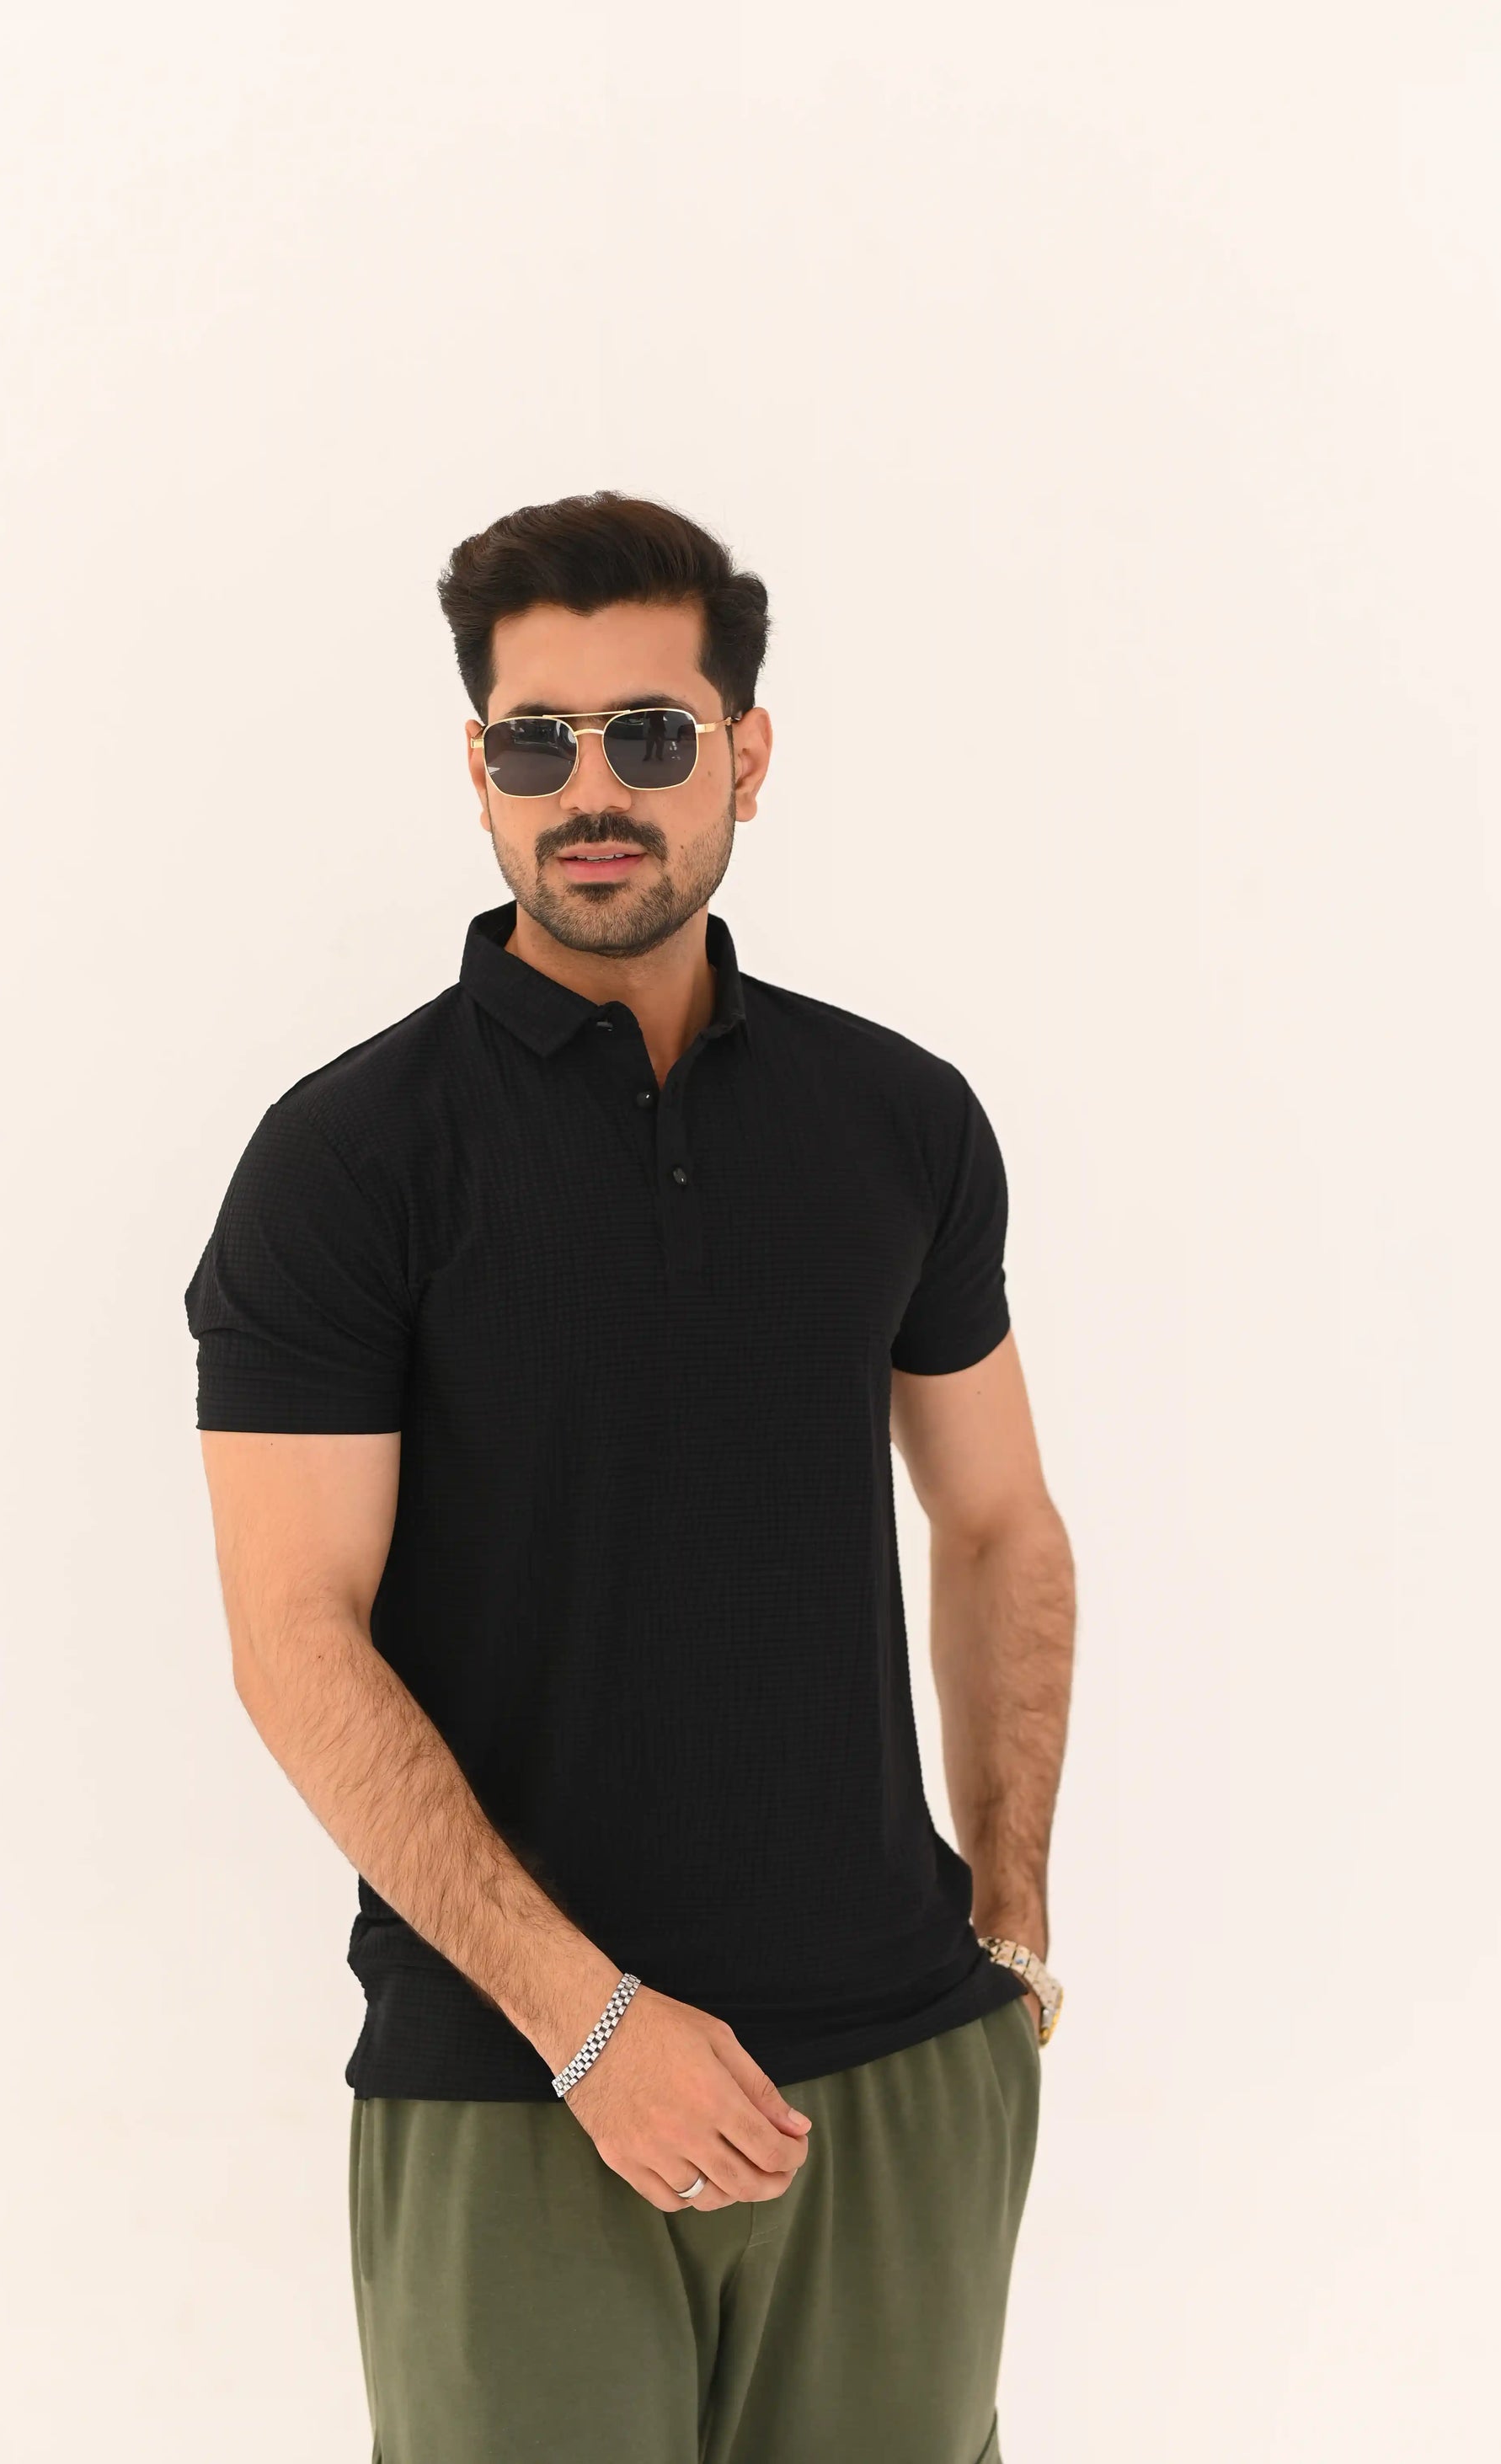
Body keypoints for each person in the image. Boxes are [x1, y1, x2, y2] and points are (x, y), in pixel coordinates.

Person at [184, 490, 1076, 2463]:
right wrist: (589, 2021)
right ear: (480, 771)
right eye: (536, 743)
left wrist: (1006, 1919)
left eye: (649, 734)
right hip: (514, 2085)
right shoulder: (349, 1159)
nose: (590, 789)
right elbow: (291, 1635)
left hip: (898, 2070)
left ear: (744, 754)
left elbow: (1000, 1518)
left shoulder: (897, 1120)